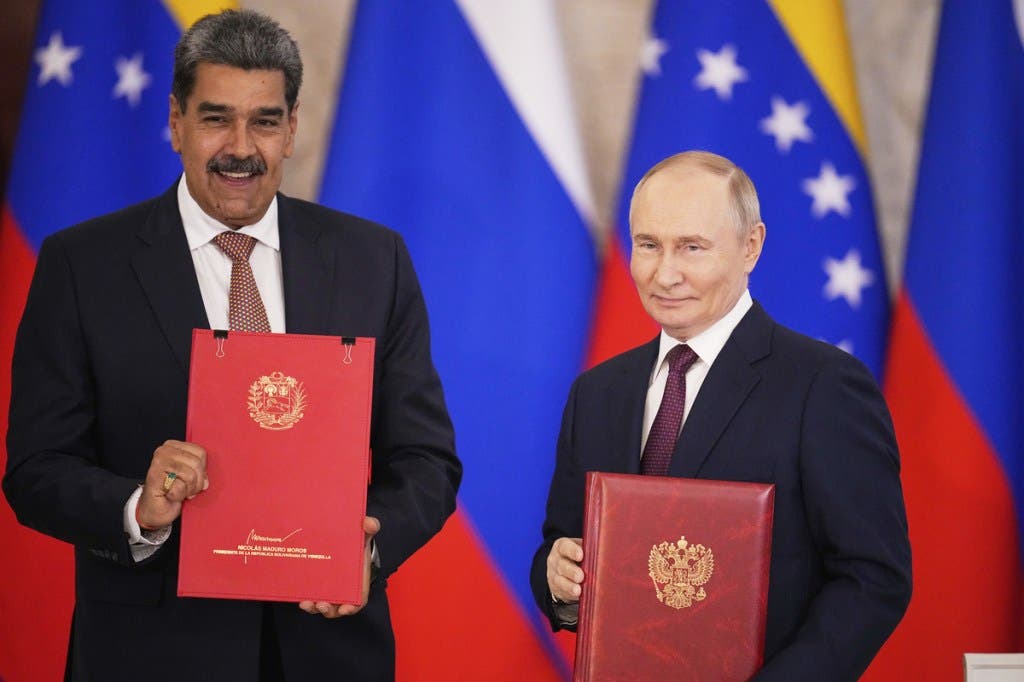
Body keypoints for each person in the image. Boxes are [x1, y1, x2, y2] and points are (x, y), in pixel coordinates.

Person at [3, 9, 460, 681]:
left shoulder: (373, 259)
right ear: (176, 122)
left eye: (265, 121)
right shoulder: (82, 266)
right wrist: (138, 508)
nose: (240, 146)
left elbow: (426, 459)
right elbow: (34, 470)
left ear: (292, 128)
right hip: (149, 654)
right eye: (216, 118)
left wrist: (364, 550)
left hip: (328, 651)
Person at [530, 151, 911, 680]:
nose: (666, 273)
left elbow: (874, 577)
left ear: (751, 246)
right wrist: (557, 580)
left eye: (692, 247)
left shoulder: (824, 386)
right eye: (648, 246)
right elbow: (562, 544)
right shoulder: (598, 393)